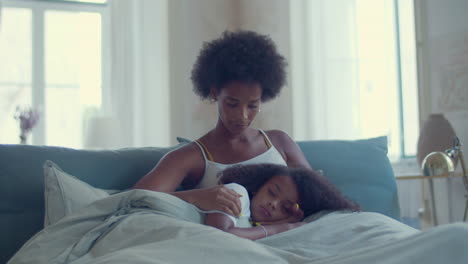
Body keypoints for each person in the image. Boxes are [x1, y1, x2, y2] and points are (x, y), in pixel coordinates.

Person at [133, 30, 312, 217]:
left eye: (252, 105)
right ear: (214, 94)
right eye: (232, 104)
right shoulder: (190, 157)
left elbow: (314, 196)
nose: (242, 116)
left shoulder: (279, 142)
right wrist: (197, 197)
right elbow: (135, 199)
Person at [204, 164, 360, 240]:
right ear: (258, 187)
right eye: (271, 192)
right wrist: (283, 227)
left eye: (285, 208)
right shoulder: (236, 193)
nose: (274, 204)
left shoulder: (253, 224)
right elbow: (219, 235)